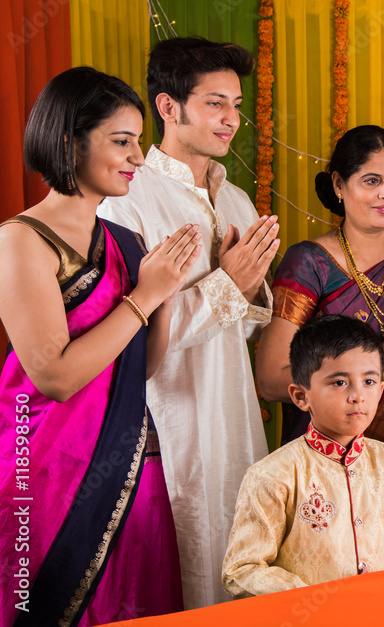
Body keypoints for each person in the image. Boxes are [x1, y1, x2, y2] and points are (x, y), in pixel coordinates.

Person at [0, 67, 200, 625]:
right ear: (69, 141)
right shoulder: (20, 241)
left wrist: (164, 297)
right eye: (121, 141)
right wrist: (145, 295)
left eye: (138, 141)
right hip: (41, 465)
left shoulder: (126, 242)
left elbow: (144, 368)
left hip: (130, 464)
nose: (138, 157)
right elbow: (55, 378)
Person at [97, 37, 279, 608]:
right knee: (181, 572)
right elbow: (130, 339)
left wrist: (247, 289)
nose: (233, 119)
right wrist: (228, 283)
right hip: (166, 423)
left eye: (236, 103)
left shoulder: (240, 201)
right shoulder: (127, 199)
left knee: (241, 560)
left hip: (235, 412)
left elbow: (246, 328)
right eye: (215, 104)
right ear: (168, 107)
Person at [256, 125, 384, 451]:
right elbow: (271, 380)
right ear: (339, 184)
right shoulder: (310, 263)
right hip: (328, 464)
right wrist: (381, 370)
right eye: (372, 181)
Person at [222, 315, 384, 597]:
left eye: (369, 381)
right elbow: (243, 569)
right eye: (339, 382)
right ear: (301, 396)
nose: (357, 395)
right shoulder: (272, 475)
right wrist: (315, 604)